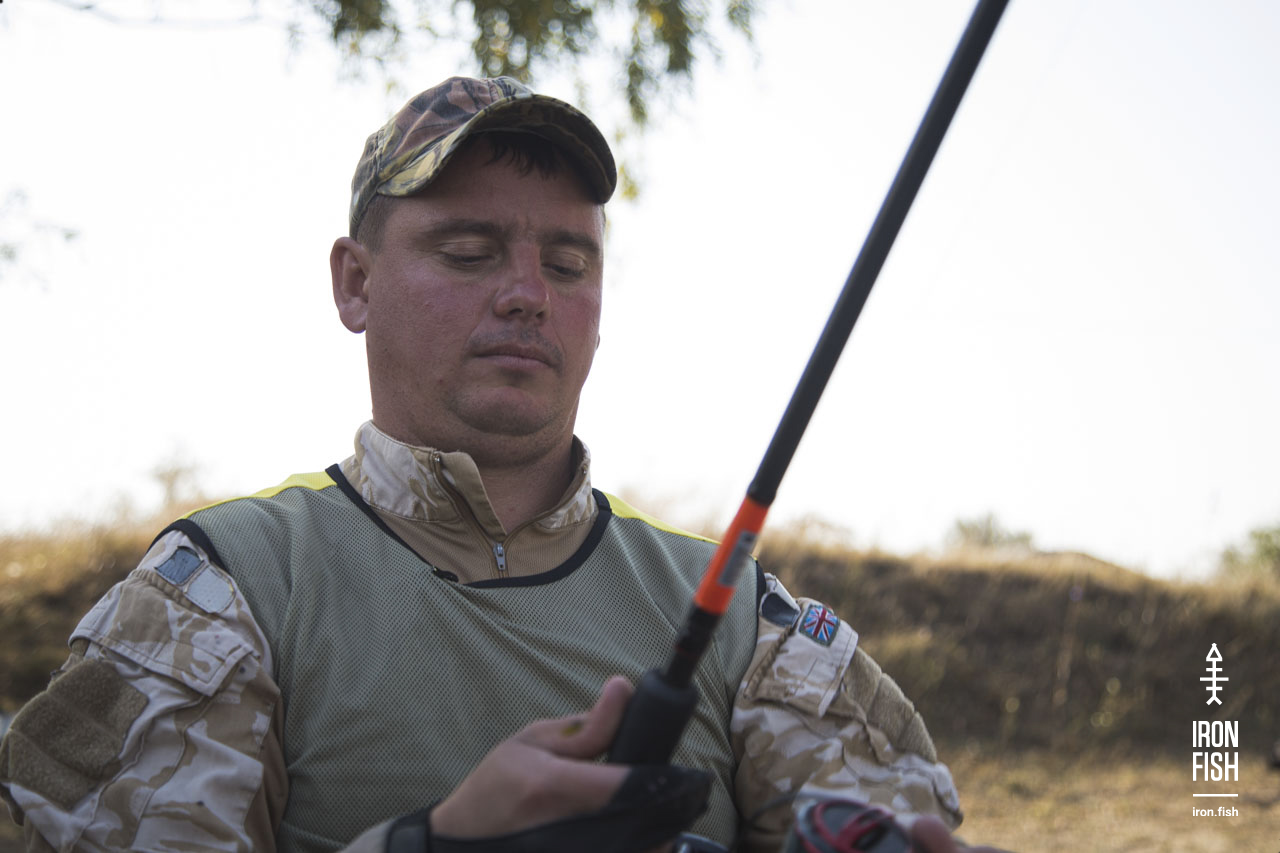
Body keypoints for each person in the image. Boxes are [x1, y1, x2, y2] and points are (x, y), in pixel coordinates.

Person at [0, 77, 997, 853]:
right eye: (469, 252)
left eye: (567, 264)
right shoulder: (225, 589)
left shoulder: (738, 616)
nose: (528, 294)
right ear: (355, 283)